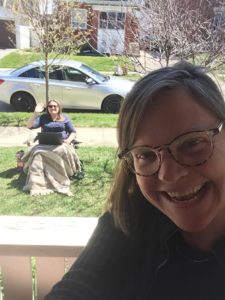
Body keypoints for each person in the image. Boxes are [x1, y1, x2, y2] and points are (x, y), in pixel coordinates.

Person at [44, 61, 225, 299]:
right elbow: (79, 287)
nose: (169, 174)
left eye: (192, 143)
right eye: (145, 155)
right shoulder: (130, 221)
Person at [23, 99, 81, 196]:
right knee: (38, 153)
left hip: (62, 144)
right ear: (47, 108)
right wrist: (35, 113)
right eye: (50, 106)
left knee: (62, 150)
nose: (53, 108)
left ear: (59, 108)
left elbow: (73, 132)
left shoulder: (65, 118)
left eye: (55, 106)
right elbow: (29, 126)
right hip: (45, 144)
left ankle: (60, 177)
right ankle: (38, 181)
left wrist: (68, 141)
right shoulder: (43, 118)